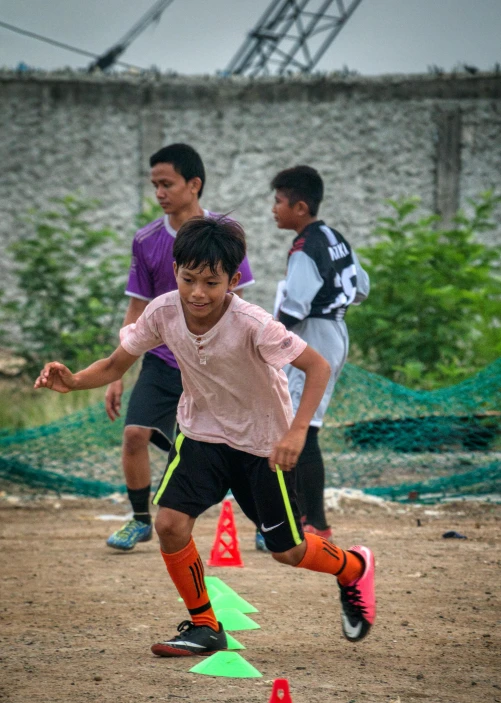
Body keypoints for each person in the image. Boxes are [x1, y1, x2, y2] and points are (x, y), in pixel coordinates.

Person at [34, 217, 376, 653]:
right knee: (170, 524)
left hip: (261, 445)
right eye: (188, 278)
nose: (197, 292)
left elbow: (317, 367)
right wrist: (74, 380)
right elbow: (117, 364)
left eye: (210, 283)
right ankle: (205, 626)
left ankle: (352, 566)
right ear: (175, 271)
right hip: (202, 435)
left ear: (232, 281)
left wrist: (295, 434)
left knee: (286, 550)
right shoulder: (162, 312)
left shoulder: (253, 324)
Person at [105, 143, 255, 552]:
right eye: (154, 185)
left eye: (167, 183)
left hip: (214, 364)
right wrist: (117, 371)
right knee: (135, 433)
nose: (159, 193)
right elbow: (137, 306)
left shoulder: (223, 232)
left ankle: (265, 517)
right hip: (162, 360)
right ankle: (139, 519)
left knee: (242, 446)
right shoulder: (147, 240)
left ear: (194, 185)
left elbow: (243, 303)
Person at [254, 165, 370, 550]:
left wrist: (266, 338)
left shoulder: (304, 248)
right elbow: (361, 287)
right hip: (335, 329)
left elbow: (296, 306)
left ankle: (313, 522)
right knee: (301, 423)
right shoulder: (335, 238)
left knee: (303, 427)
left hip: (313, 336)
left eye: (278, 201)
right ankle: (303, 516)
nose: (273, 209)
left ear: (299, 207)